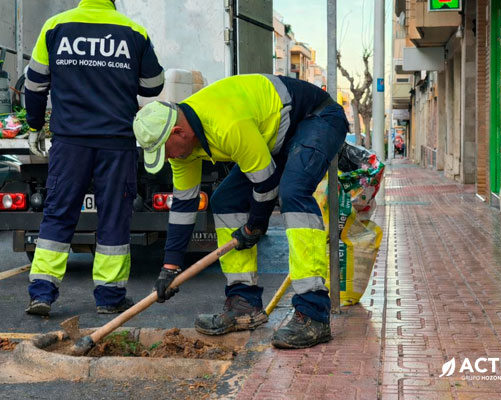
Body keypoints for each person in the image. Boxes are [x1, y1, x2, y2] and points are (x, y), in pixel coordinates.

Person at [132, 74, 348, 349]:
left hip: (316, 118)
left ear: (178, 133)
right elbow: (184, 207)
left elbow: (267, 185)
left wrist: (254, 225)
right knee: (225, 201)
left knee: (293, 192)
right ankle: (243, 303)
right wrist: (169, 268)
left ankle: (313, 313)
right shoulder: (184, 149)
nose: (168, 158)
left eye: (165, 151)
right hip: (274, 138)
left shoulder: (226, 124)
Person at [23, 0, 164, 316]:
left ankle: (42, 293)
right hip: (116, 142)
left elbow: (34, 85)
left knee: (58, 213)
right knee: (113, 216)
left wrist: (34, 125)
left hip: (70, 142)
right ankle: (109, 297)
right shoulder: (133, 31)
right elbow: (153, 86)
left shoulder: (55, 26)